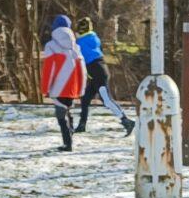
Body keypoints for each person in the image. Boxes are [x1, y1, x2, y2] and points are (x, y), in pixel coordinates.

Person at [75, 18, 135, 136]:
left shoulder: (80, 42)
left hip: (97, 73)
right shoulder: (94, 38)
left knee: (107, 100)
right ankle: (82, 125)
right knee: (85, 99)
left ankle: (126, 121)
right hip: (99, 70)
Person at [40, 15, 86, 151]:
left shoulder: (51, 46)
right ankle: (69, 139)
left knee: (61, 116)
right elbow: (82, 69)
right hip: (73, 86)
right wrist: (80, 89)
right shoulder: (75, 47)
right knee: (68, 112)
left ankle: (67, 144)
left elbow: (49, 69)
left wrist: (45, 88)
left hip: (58, 86)